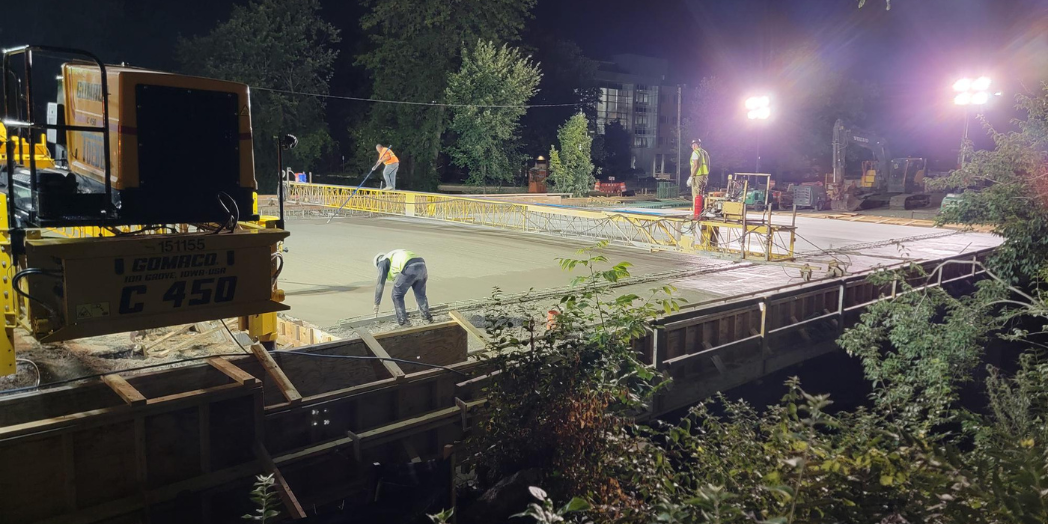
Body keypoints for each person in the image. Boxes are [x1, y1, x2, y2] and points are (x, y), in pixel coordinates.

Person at [374, 249, 432, 326]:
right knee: (420, 294)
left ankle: (403, 322)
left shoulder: (382, 262)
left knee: (396, 295)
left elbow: (380, 283)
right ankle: (427, 318)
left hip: (409, 267)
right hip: (421, 265)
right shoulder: (394, 256)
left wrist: (376, 303)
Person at [687, 139, 710, 219]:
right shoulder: (705, 153)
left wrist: (691, 176)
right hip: (704, 176)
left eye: (693, 145)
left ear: (696, 145)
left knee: (696, 195)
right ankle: (701, 212)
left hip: (697, 176)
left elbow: (695, 165)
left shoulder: (695, 153)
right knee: (701, 194)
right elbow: (708, 165)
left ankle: (696, 213)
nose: (693, 147)